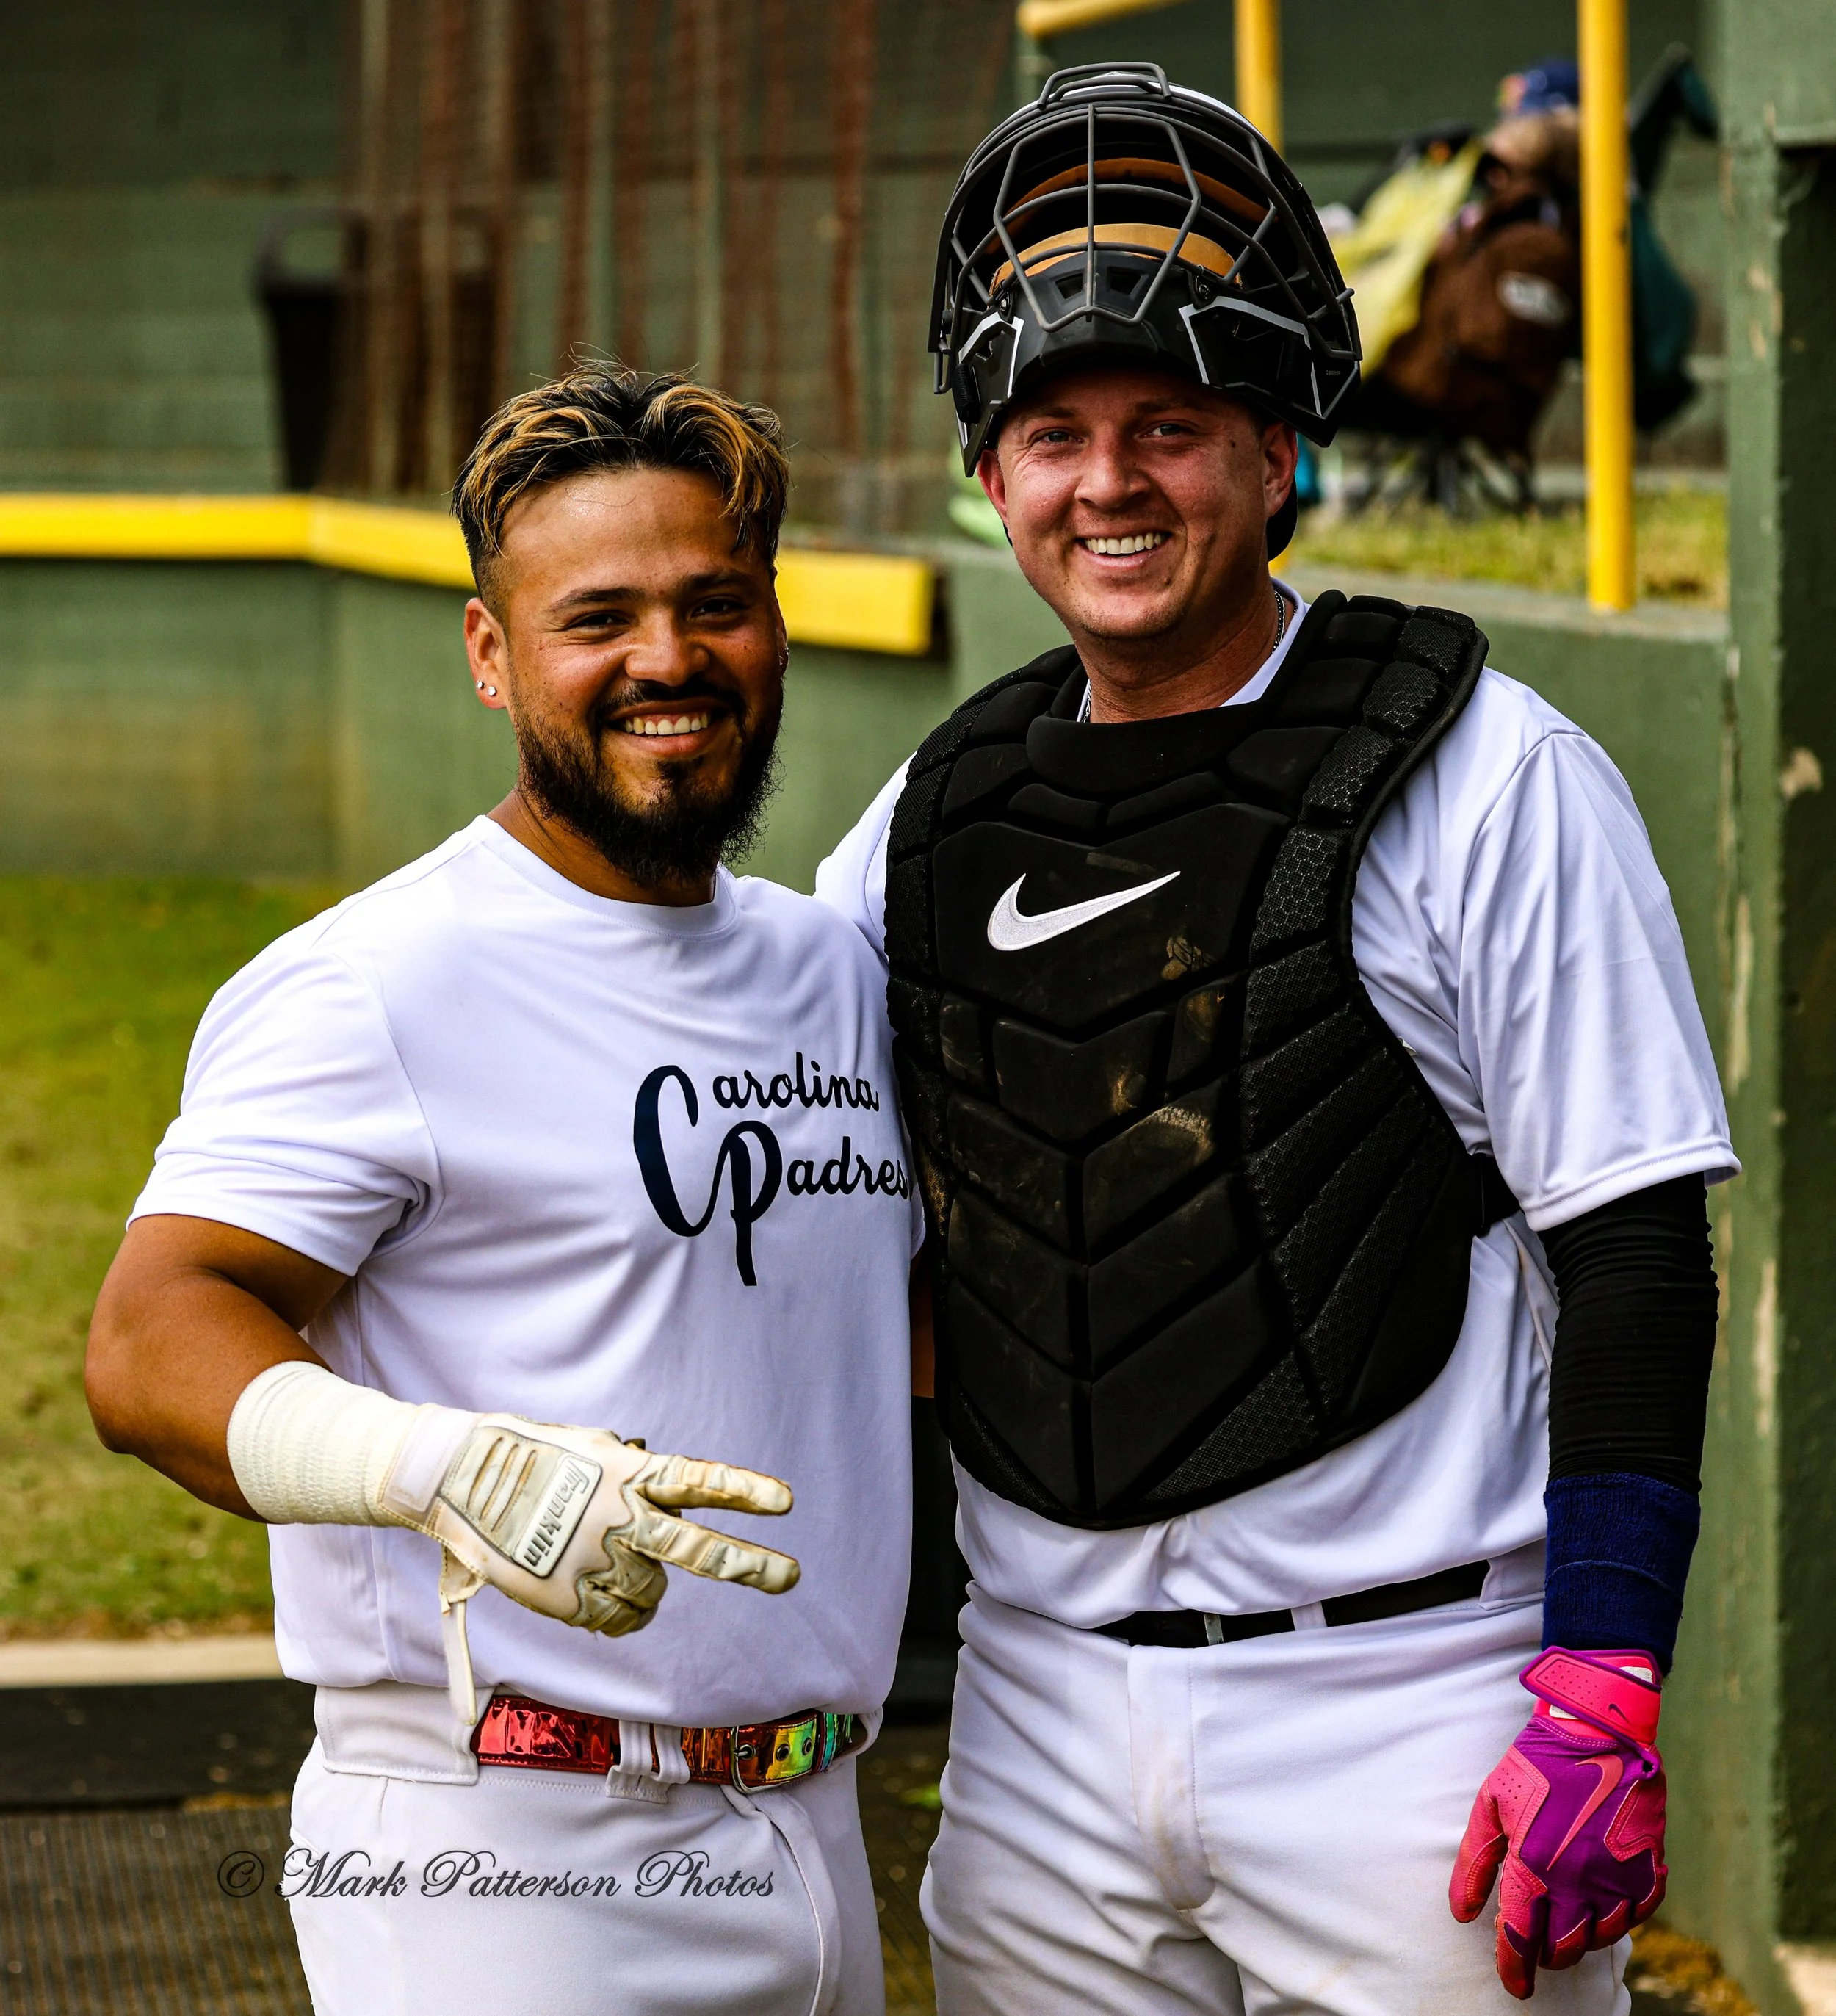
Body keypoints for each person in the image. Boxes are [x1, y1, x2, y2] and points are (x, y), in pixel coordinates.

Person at [817, 64, 1732, 2015]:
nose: (1107, 483)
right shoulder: (932, 809)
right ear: (991, 478)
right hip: (1041, 1709)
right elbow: (814, 1194)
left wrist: (1603, 1688)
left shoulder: (1490, 780)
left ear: (1277, 454)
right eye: (1049, 434)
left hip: (1404, 1718)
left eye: (1169, 426)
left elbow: (1635, 1246)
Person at [86, 365, 921, 2016]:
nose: (665, 661)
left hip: (812, 1825)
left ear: (776, 623)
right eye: (595, 617)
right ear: (491, 652)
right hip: (503, 1842)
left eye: (714, 604)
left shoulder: (831, 970)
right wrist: (445, 1468)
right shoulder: (377, 982)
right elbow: (145, 1342)